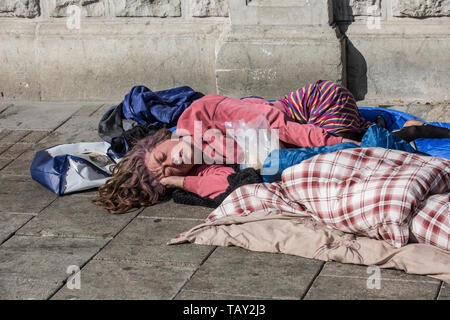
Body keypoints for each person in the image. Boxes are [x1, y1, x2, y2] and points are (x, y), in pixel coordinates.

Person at [93, 81, 449, 214]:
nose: (172, 163)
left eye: (162, 158)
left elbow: (275, 123)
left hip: (309, 109)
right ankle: (390, 134)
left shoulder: (198, 113)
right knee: (296, 169)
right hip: (297, 150)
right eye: (166, 174)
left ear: (159, 140)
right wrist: (183, 183)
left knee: (348, 153)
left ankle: (397, 134)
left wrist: (339, 144)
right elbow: (230, 187)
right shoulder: (201, 171)